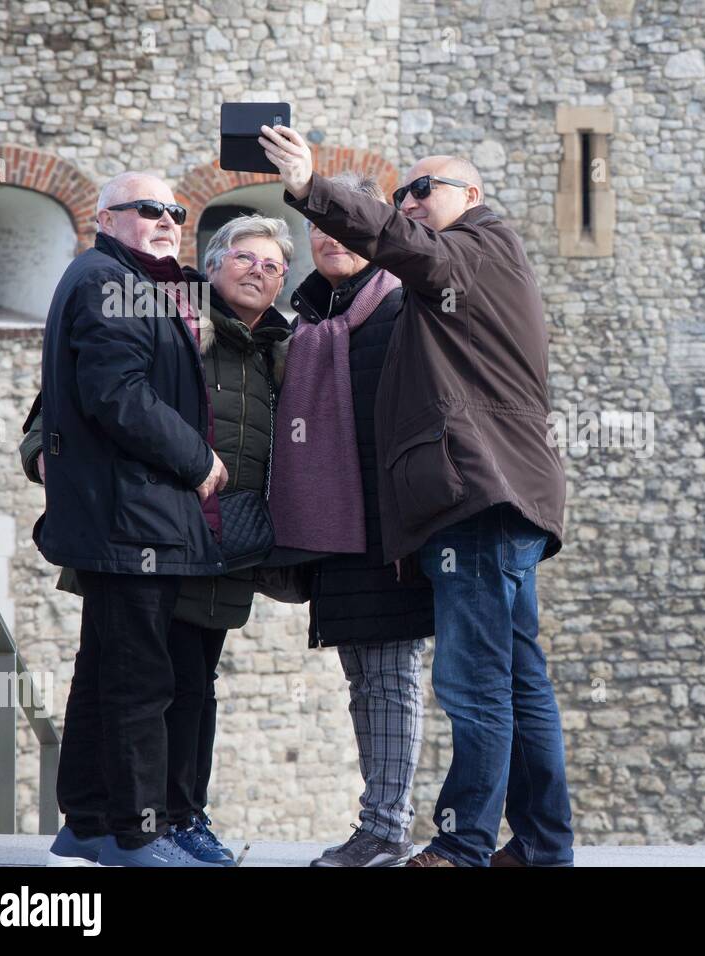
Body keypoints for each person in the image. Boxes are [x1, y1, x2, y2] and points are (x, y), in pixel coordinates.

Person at [261, 125, 573, 867]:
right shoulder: (456, 281)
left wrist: (311, 188)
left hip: (476, 498)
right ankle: (540, 844)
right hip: (493, 499)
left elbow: (407, 250)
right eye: (401, 193)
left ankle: (465, 843)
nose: (409, 202)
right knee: (520, 679)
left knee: (473, 682)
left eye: (423, 189)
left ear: (473, 196)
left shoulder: (479, 249)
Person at [24, 214, 295, 865]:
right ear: (215, 264)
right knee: (146, 678)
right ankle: (138, 823)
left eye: (273, 266)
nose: (257, 271)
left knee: (197, 681)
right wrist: (49, 460)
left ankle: (179, 814)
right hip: (156, 534)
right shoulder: (168, 320)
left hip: (232, 542)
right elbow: (63, 406)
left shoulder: (286, 350)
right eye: (245, 258)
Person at [32, 171, 230, 867]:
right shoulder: (103, 282)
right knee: (140, 680)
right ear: (106, 219)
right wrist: (198, 459)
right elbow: (118, 396)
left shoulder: (125, 282)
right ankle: (134, 833)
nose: (167, 220)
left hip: (128, 515)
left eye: (175, 211)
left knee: (106, 671)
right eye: (148, 209)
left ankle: (85, 821)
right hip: (131, 518)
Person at [270, 172, 434, 867]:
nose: (330, 237)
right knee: (362, 682)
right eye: (319, 227)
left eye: (344, 225)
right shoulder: (310, 321)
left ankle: (387, 827)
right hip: (336, 533)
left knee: (392, 680)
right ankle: (378, 823)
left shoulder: (407, 309)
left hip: (393, 533)